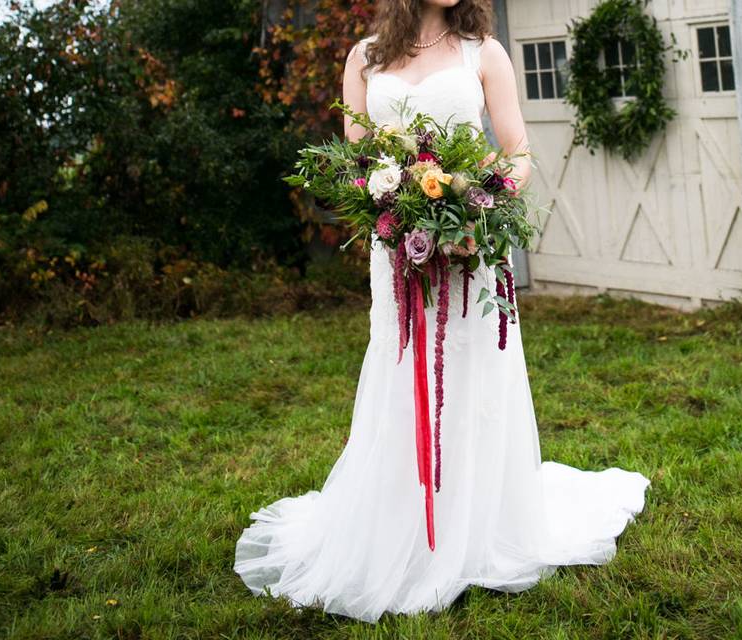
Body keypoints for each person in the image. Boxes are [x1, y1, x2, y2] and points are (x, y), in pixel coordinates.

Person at [233, 0, 651, 624]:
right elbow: (356, 163)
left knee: (473, 373)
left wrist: (480, 206)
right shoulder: (363, 59)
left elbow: (516, 152)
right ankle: (406, 523)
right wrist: (395, 209)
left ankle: (477, 524)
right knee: (402, 372)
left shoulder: (484, 51)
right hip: (395, 251)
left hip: (468, 249)